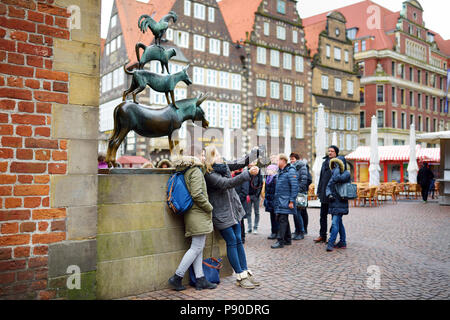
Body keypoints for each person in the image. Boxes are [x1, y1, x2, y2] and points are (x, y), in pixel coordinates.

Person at [204, 145, 261, 289]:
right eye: (216, 155)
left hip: (234, 210)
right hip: (221, 213)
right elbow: (226, 183)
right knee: (232, 241)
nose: (220, 156)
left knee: (238, 241)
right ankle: (240, 276)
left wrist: (255, 153)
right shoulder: (209, 174)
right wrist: (248, 173)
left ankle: (246, 272)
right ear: (211, 159)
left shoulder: (223, 165)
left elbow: (240, 162)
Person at [168, 155, 217, 291]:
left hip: (193, 214)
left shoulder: (185, 171)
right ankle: (177, 277)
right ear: (193, 159)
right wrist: (209, 207)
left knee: (198, 247)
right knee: (196, 247)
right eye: (200, 155)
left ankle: (200, 279)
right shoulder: (195, 171)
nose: (203, 157)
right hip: (198, 213)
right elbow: (196, 194)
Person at [271, 154, 298, 249]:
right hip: (280, 200)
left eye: (277, 160)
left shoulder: (290, 171)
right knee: (283, 219)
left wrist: (291, 201)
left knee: (282, 219)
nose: (276, 162)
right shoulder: (281, 171)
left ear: (283, 160)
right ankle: (288, 239)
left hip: (286, 200)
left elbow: (294, 187)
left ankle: (280, 241)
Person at [325, 155, 351, 251]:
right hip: (333, 202)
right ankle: (343, 242)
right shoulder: (334, 173)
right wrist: (329, 195)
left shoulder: (346, 174)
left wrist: (336, 169)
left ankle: (331, 243)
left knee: (335, 223)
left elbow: (337, 178)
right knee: (339, 223)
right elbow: (328, 186)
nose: (336, 166)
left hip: (341, 202)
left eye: (338, 164)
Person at [314, 146, 338, 243]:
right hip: (324, 193)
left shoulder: (337, 162)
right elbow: (321, 178)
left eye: (332, 151)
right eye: (329, 151)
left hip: (333, 194)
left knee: (333, 217)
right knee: (322, 216)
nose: (330, 153)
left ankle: (332, 237)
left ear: (336, 153)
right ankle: (322, 235)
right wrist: (319, 191)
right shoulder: (325, 162)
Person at [289, 152, 308, 240]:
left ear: (297, 159)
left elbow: (304, 180)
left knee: (298, 213)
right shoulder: (293, 167)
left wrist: (296, 190)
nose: (291, 161)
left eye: (293, 159)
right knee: (295, 213)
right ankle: (297, 230)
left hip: (299, 193)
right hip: (295, 192)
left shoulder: (302, 167)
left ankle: (301, 231)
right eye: (290, 159)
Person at [246, 162, 263, 234]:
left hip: (256, 196)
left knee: (257, 212)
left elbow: (261, 183)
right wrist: (246, 194)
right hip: (248, 195)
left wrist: (257, 194)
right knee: (248, 212)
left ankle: (255, 227)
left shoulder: (259, 172)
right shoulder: (246, 172)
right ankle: (249, 228)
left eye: (252, 162)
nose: (251, 164)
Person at [234, 168, 250, 244]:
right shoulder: (233, 176)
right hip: (235, 202)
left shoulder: (243, 177)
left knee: (241, 220)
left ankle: (242, 237)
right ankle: (239, 236)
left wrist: (236, 199)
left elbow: (245, 191)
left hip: (241, 202)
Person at [263, 164, 279, 240]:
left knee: (276, 217)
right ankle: (273, 232)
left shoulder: (276, 178)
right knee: (272, 217)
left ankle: (277, 232)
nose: (268, 171)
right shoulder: (268, 178)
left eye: (269, 170)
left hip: (274, 201)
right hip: (269, 200)